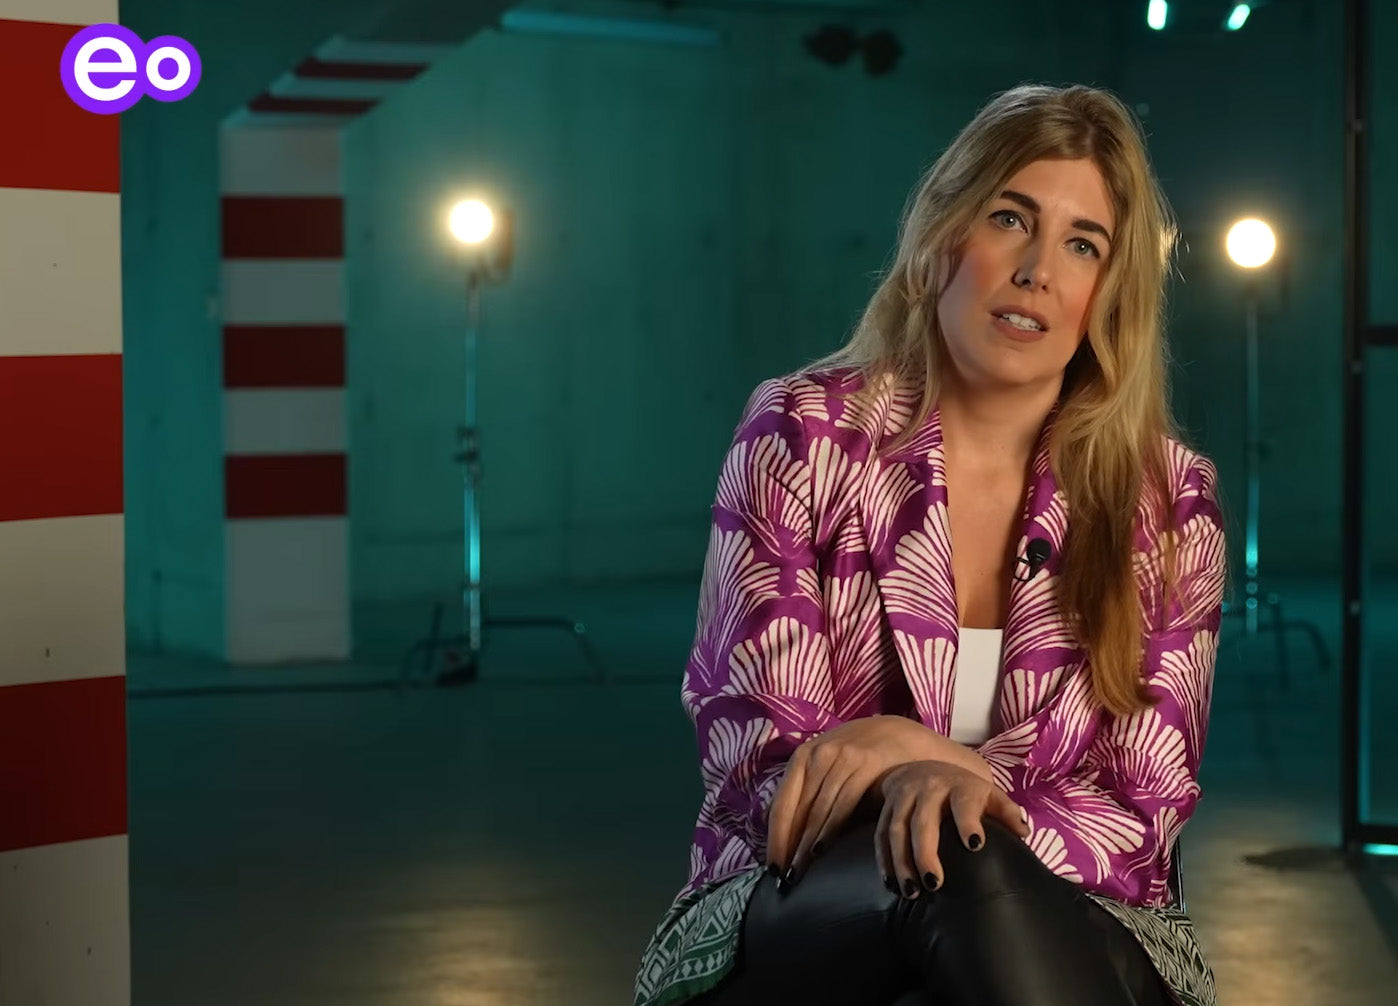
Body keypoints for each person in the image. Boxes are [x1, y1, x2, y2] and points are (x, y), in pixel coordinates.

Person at [633, 83, 1227, 1006]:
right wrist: (935, 800)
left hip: (1090, 913)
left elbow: (1142, 809)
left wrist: (932, 759)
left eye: (1083, 244)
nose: (1037, 270)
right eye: (1009, 219)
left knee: (967, 861)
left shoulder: (1170, 498)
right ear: (943, 235)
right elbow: (760, 766)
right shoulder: (800, 435)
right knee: (953, 852)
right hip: (811, 900)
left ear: (1110, 295)